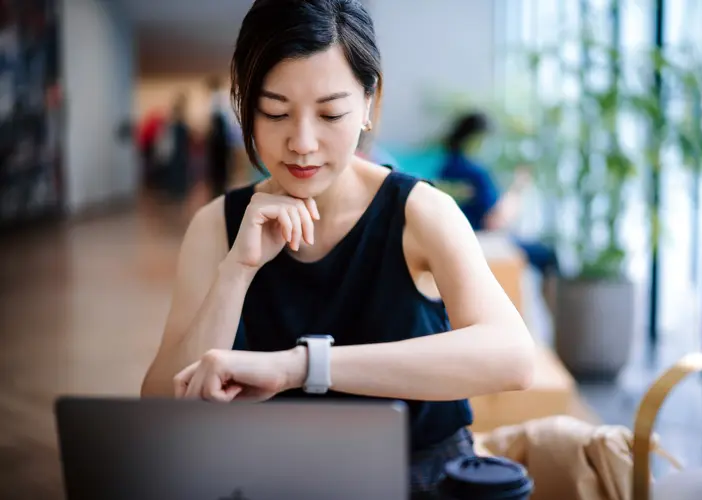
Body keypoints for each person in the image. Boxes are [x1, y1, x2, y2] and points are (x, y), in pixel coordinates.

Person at [140, 1, 534, 497]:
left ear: (370, 101)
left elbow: (514, 357)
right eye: (275, 111)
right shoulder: (215, 226)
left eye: (330, 113)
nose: (302, 142)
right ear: (244, 104)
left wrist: (301, 367)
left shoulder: (419, 212)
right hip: (276, 481)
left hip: (419, 479)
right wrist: (237, 270)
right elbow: (159, 408)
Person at [437, 111, 559, 313]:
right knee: (549, 255)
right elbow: (494, 220)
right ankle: (554, 322)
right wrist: (519, 188)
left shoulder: (446, 168)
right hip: (484, 240)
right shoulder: (475, 172)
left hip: (458, 238)